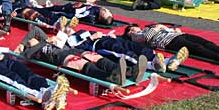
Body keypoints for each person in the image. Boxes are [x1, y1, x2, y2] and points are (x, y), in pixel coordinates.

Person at [14, 26, 144, 86]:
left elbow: (35, 30)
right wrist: (40, 43)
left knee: (94, 56)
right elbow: (27, 55)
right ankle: (110, 77)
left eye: (31, 40)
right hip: (57, 56)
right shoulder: (31, 52)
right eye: (29, 43)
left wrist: (21, 42)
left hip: (71, 49)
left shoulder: (41, 40)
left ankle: (128, 71)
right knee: (80, 63)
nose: (31, 40)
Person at [67, 29, 189, 73]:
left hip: (109, 38)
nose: (69, 28)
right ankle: (151, 65)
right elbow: (76, 48)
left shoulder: (82, 30)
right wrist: (91, 38)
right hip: (98, 44)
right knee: (122, 52)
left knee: (137, 47)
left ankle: (167, 61)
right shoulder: (70, 39)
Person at [124, 24, 219, 66]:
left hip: (178, 35)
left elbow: (167, 28)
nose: (132, 30)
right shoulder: (135, 37)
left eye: (132, 28)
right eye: (129, 31)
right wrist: (159, 27)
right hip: (168, 42)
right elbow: (146, 37)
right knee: (197, 48)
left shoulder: (147, 28)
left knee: (207, 43)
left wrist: (162, 28)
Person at [27, 0, 114, 26]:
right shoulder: (98, 10)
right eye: (107, 11)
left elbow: (80, 15)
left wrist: (76, 8)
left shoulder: (91, 15)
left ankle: (37, 8)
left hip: (70, 12)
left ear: (99, 17)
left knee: (54, 11)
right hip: (72, 8)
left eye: (104, 12)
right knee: (55, 8)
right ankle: (47, 7)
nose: (105, 10)